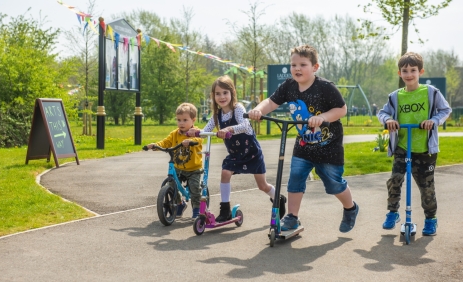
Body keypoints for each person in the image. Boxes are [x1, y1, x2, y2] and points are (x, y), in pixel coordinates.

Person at [247, 44, 359, 233]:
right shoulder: (288, 86)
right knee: (296, 177)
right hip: (304, 145)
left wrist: (322, 117)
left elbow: (341, 109)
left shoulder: (325, 87)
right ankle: (292, 217)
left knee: (333, 183)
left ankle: (350, 208)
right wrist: (259, 109)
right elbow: (271, 102)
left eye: (303, 64)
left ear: (315, 67)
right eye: (293, 65)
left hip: (328, 146)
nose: (297, 69)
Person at [188, 75, 286, 222]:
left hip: (252, 153)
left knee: (262, 185)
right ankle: (225, 209)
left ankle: (278, 198)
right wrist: (195, 132)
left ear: (232, 93)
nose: (222, 97)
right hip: (235, 155)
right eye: (218, 94)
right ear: (213, 96)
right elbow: (206, 131)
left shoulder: (238, 109)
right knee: (225, 173)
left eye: (225, 93)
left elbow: (245, 126)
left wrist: (229, 129)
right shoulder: (216, 115)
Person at [377, 52, 452, 236]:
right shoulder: (395, 96)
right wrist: (388, 120)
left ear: (421, 72)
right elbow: (382, 113)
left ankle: (431, 219)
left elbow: (445, 109)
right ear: (399, 73)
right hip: (403, 146)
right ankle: (392, 213)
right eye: (405, 71)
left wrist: (433, 121)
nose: (409, 74)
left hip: (425, 149)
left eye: (413, 70)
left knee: (426, 186)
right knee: (395, 179)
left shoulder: (431, 92)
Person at [146, 103, 204, 218]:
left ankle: (197, 209)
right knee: (172, 185)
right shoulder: (174, 134)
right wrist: (155, 145)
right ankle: (179, 203)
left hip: (193, 169)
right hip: (178, 168)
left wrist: (191, 141)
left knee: (195, 189)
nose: (181, 123)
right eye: (178, 120)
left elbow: (199, 139)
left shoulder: (196, 132)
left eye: (185, 120)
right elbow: (165, 142)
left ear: (193, 120)